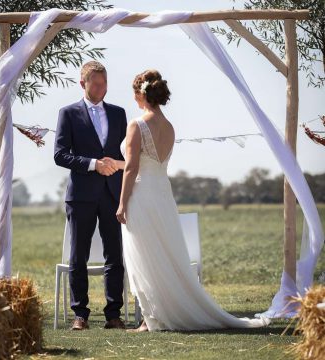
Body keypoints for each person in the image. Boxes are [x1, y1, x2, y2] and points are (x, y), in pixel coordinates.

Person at [115, 69, 269, 332]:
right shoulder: (170, 127)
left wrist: (121, 203)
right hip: (163, 195)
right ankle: (155, 317)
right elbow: (149, 165)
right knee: (165, 254)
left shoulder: (136, 124)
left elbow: (132, 169)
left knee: (144, 256)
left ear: (141, 94)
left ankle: (152, 319)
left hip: (141, 197)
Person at [54, 61, 127, 330]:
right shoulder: (68, 113)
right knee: (78, 256)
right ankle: (80, 315)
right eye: (96, 83)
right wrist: (94, 164)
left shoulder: (119, 114)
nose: (102, 88)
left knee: (115, 256)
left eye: (105, 82)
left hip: (112, 195)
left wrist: (116, 169)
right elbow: (60, 154)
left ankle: (113, 314)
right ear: (82, 83)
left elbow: (123, 156)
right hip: (81, 196)